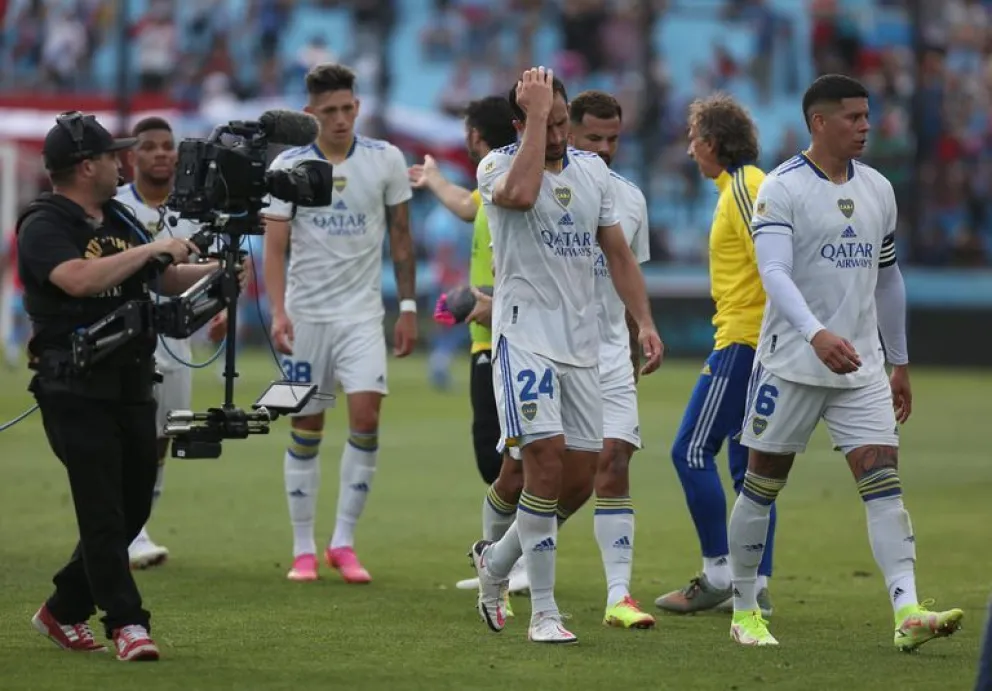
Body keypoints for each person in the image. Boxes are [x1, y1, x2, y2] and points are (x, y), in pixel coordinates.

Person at [727, 74, 963, 648]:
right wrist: (816, 334)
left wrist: (898, 361)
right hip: (791, 362)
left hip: (860, 366)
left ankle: (907, 611)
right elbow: (773, 272)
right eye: (853, 117)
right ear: (819, 122)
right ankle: (744, 609)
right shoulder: (782, 188)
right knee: (761, 485)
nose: (866, 126)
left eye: (867, 116)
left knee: (884, 485)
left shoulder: (878, 188)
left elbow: (888, 276)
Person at [467, 67, 662, 644]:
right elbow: (522, 196)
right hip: (524, 339)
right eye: (543, 123)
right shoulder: (497, 166)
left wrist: (645, 323)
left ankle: (496, 561)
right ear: (520, 123)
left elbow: (618, 254)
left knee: (577, 480)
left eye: (558, 123)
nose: (555, 135)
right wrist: (532, 120)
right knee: (544, 463)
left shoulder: (593, 174)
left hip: (582, 347)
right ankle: (545, 614)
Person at [18, 111, 216, 660]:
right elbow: (76, 279)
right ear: (86, 166)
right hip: (74, 385)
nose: (121, 162)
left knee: (133, 506)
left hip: (131, 379)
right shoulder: (44, 222)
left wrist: (215, 272)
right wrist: (152, 250)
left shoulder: (120, 218)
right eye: (111, 155)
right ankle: (128, 623)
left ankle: (63, 608)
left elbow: (163, 277)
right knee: (103, 509)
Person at [263, 63, 417, 584]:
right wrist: (278, 311)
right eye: (329, 111)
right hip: (306, 317)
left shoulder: (385, 158)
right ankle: (302, 548)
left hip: (361, 317)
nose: (340, 119)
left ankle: (343, 542)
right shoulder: (288, 165)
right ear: (310, 113)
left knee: (367, 420)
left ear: (358, 106)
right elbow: (275, 246)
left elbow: (401, 237)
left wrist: (409, 308)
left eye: (347, 108)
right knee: (305, 426)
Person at [654, 94, 777, 616]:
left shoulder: (747, 187)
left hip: (745, 342)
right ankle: (756, 587)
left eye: (694, 139)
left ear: (713, 142)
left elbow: (775, 264)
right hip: (756, 342)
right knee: (750, 468)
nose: (689, 150)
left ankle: (720, 574)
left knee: (690, 450)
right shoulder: (739, 187)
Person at [408, 96, 530, 597]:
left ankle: (514, 562)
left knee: (509, 455)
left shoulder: (512, 186)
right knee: (496, 454)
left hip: (510, 333)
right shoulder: (493, 186)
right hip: (488, 334)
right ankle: (506, 561)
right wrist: (434, 178)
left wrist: (491, 301)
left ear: (477, 136)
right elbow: (464, 205)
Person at [115, 116, 201, 570]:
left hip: (176, 336)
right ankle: (128, 533)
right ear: (132, 156)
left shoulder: (191, 209)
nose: (161, 154)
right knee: (130, 434)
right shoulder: (117, 206)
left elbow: (207, 269)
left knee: (162, 437)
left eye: (168, 146)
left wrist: (221, 310)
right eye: (150, 146)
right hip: (126, 334)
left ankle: (138, 528)